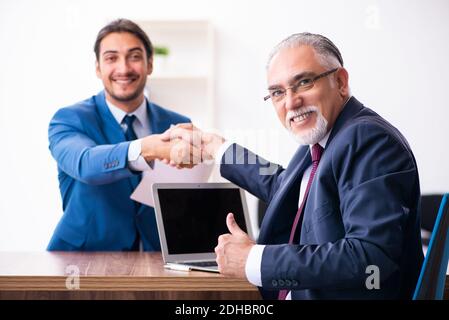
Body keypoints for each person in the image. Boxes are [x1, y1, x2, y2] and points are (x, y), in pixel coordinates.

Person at [170, 33, 424, 299]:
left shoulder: (368, 139)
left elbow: (370, 257)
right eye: (278, 92)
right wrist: (216, 147)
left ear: (340, 81)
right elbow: (284, 185)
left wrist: (254, 259)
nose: (290, 102)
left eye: (303, 82)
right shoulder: (325, 137)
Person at [47, 19, 199, 251]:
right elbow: (85, 163)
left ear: (150, 64)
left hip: (157, 262)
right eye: (111, 58)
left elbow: (183, 202)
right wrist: (149, 148)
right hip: (82, 262)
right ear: (98, 68)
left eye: (134, 56)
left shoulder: (177, 124)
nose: (124, 68)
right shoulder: (68, 120)